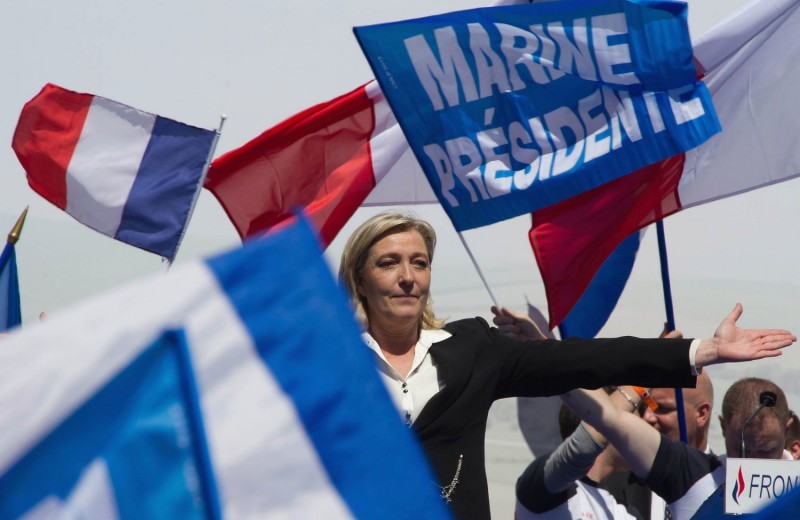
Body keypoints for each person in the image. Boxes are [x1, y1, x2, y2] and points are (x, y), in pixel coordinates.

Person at [338, 212, 795, 520]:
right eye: (388, 263)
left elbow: (587, 359)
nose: (407, 276)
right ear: (361, 275)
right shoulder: (333, 368)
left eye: (419, 263)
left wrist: (702, 350)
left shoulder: (470, 348)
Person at [558, 377, 796, 519]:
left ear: (786, 431)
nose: (751, 463)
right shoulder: (696, 473)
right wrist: (551, 359)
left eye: (765, 451)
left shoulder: (794, 486)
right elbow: (612, 419)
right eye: (741, 449)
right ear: (723, 428)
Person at [515, 386, 646, 519]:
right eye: (634, 421)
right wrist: (638, 387)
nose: (644, 430)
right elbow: (581, 448)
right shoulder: (543, 488)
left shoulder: (628, 514)